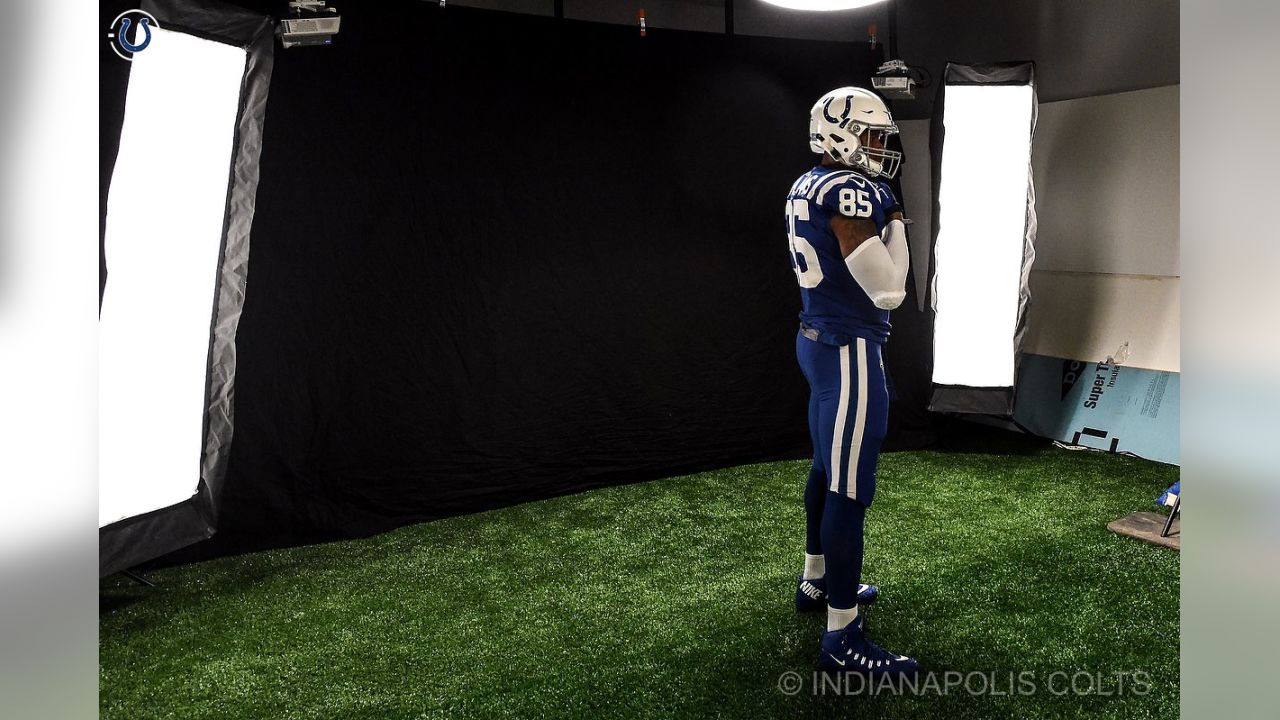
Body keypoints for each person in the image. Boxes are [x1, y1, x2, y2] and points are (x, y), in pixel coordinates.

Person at [784, 86, 916, 675]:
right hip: (850, 349)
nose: (880, 149)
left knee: (824, 468)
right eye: (871, 136)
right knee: (848, 489)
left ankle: (816, 581)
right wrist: (896, 220)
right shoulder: (850, 191)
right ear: (840, 133)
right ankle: (842, 636)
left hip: (815, 340)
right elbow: (889, 288)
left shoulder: (807, 182)